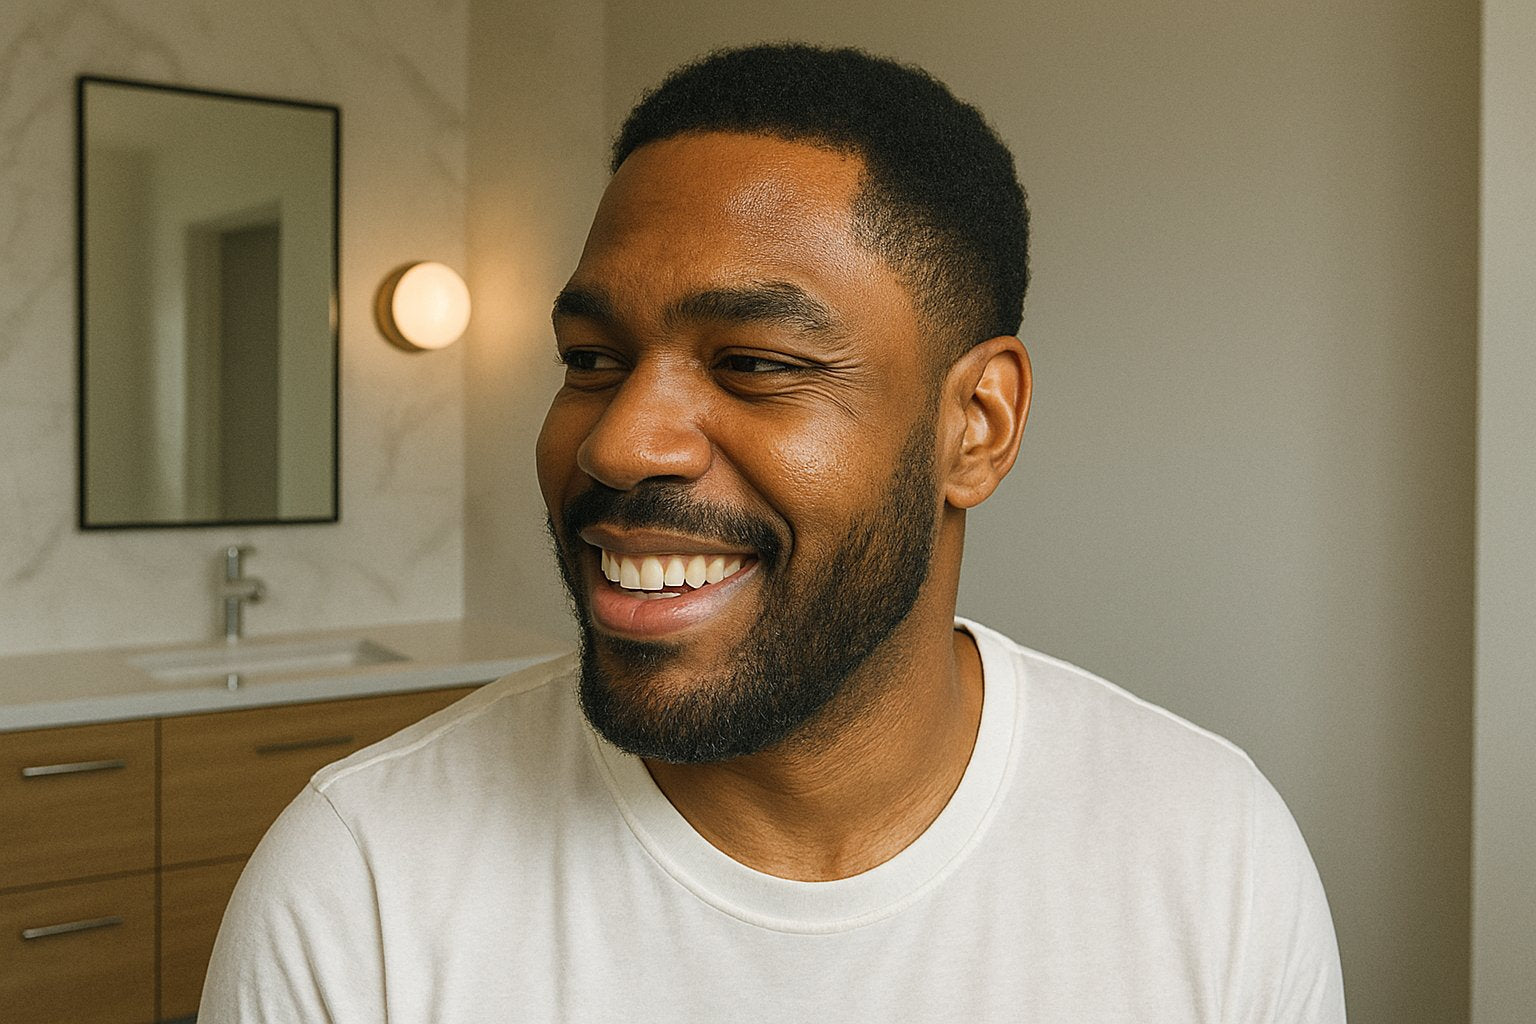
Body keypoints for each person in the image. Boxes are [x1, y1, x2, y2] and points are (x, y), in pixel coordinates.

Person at [201, 43, 1345, 1022]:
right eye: (591, 362)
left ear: (976, 428)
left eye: (755, 364)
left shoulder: (1209, 854)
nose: (617, 445)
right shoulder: (363, 889)